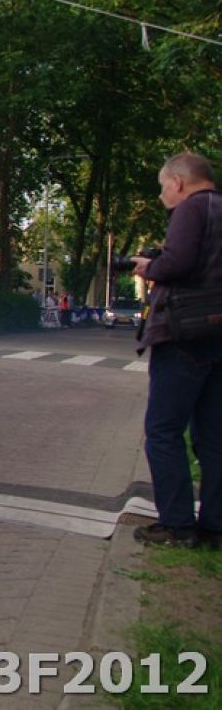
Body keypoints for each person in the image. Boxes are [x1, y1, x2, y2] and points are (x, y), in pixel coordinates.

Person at [131, 151, 222, 549]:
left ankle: (178, 525)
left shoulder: (190, 209)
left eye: (162, 187)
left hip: (184, 335)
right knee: (213, 436)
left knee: (163, 430)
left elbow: (179, 263)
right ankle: (215, 527)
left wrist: (149, 267)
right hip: (218, 338)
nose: (162, 195)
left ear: (178, 182)